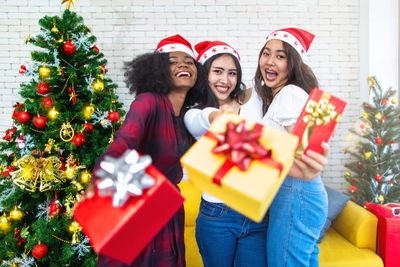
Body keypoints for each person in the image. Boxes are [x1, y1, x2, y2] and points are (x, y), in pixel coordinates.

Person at [88, 34, 209, 267]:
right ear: (158, 71)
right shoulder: (148, 101)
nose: (183, 64)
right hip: (137, 209)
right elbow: (124, 141)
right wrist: (102, 180)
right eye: (172, 61)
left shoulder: (184, 117)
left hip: (168, 212)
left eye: (189, 61)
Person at [184, 40, 267, 267]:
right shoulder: (195, 111)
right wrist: (216, 117)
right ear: (204, 74)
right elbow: (202, 119)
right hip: (217, 215)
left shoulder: (253, 101)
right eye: (217, 72)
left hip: (257, 213)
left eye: (232, 73)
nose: (225, 80)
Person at [255, 28, 329, 267]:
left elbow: (302, 158)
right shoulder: (285, 95)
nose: (270, 61)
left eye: (280, 56)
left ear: (293, 63)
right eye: (266, 53)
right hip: (298, 194)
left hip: (295, 192)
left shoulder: (289, 94)